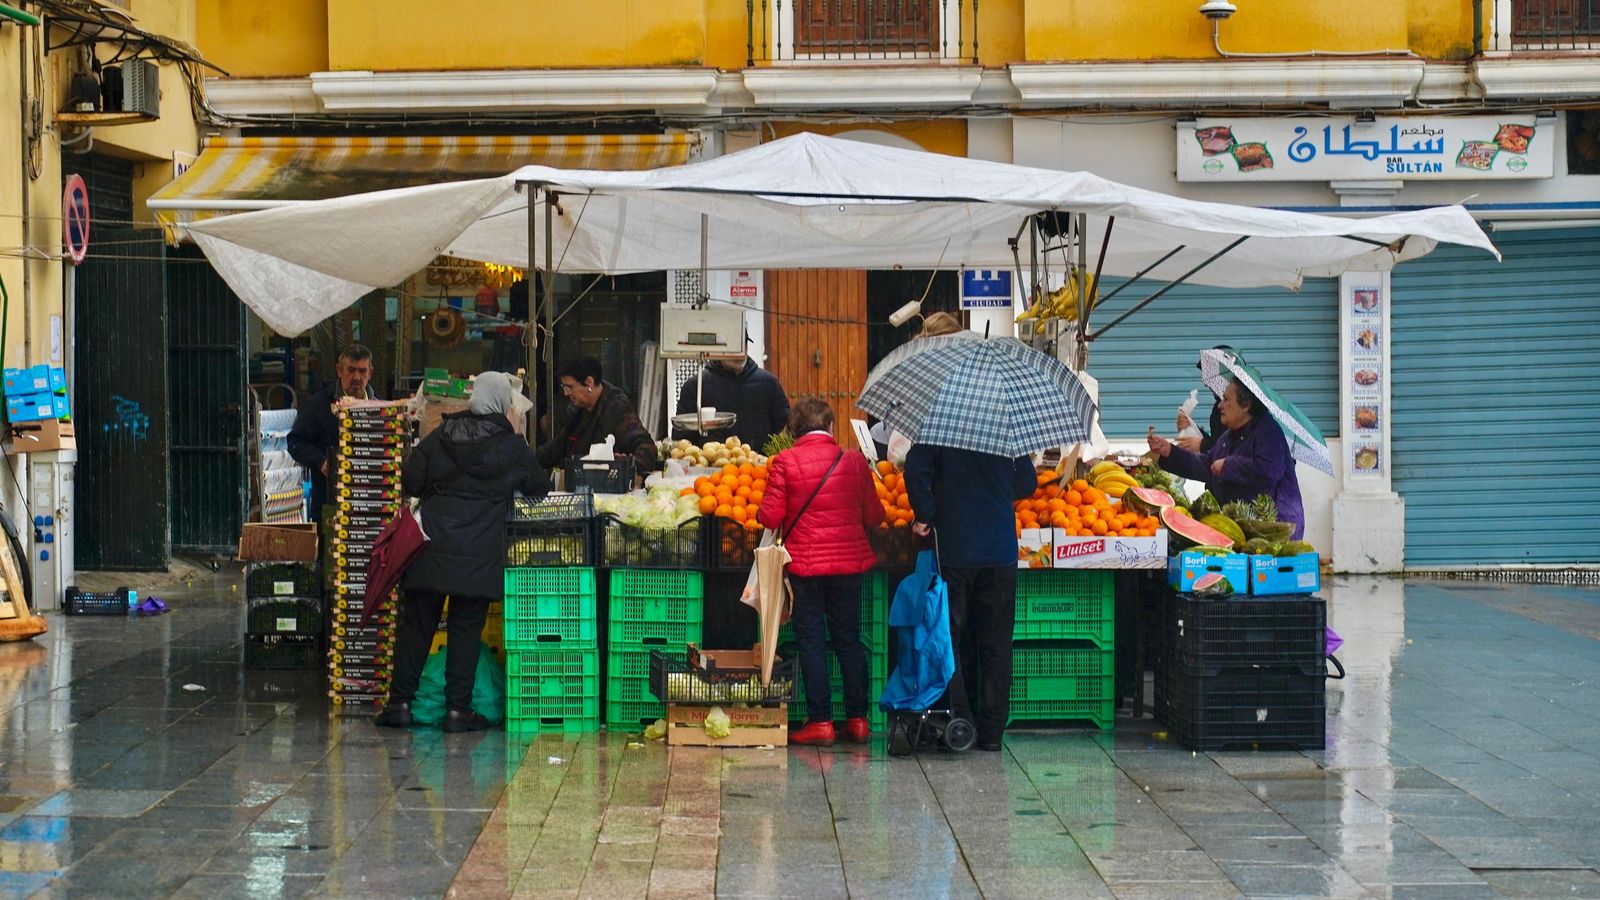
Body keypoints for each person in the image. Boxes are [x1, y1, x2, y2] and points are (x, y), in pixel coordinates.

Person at [377, 372, 550, 733]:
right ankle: (458, 711)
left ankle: (400, 705)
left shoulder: (442, 433)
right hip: (478, 553)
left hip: (431, 547)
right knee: (465, 628)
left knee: (418, 626)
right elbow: (539, 489)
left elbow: (411, 479)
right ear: (503, 402)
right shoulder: (513, 446)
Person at [757, 397, 883, 747]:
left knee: (811, 641)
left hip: (806, 567)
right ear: (831, 428)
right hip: (848, 566)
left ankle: (822, 722)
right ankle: (858, 720)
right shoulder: (855, 462)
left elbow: (769, 518)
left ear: (793, 432)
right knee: (848, 639)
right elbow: (876, 516)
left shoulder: (784, 462)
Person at [903, 442, 1036, 752]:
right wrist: (994, 491)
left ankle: (959, 723)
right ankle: (992, 732)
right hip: (999, 552)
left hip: (955, 548)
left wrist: (925, 513)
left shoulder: (939, 424)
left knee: (951, 639)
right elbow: (1027, 483)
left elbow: (915, 469)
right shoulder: (1007, 429)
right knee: (996, 644)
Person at [1148, 377, 1306, 539]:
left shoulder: (1268, 432)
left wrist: (1228, 465)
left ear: (1246, 405)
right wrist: (1169, 451)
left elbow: (1268, 471)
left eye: (1226, 399)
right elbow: (1207, 465)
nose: (1219, 405)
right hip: (1243, 528)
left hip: (1276, 530)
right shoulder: (1230, 435)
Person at [287, 344, 376, 517]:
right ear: (339, 370)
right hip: (329, 504)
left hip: (369, 507)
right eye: (351, 370)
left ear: (370, 373)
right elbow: (295, 441)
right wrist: (322, 462)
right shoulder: (318, 404)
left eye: (362, 371)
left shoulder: (379, 409)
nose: (357, 377)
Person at [536, 356, 657, 475]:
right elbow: (559, 446)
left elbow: (646, 446)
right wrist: (529, 459)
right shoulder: (577, 410)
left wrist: (627, 467)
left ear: (589, 382)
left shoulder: (616, 408)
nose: (566, 393)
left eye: (570, 387)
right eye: (564, 387)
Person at [674, 343, 790, 449]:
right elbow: (683, 436)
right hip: (711, 467)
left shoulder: (769, 383)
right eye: (734, 347)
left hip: (759, 466)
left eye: (743, 346)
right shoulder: (696, 385)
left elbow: (785, 426)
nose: (740, 353)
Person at [1176, 345, 1233, 454]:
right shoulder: (1218, 407)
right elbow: (1217, 442)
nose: (1206, 384)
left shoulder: (1242, 409)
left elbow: (1234, 448)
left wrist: (1203, 445)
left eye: (1211, 376)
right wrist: (1191, 428)